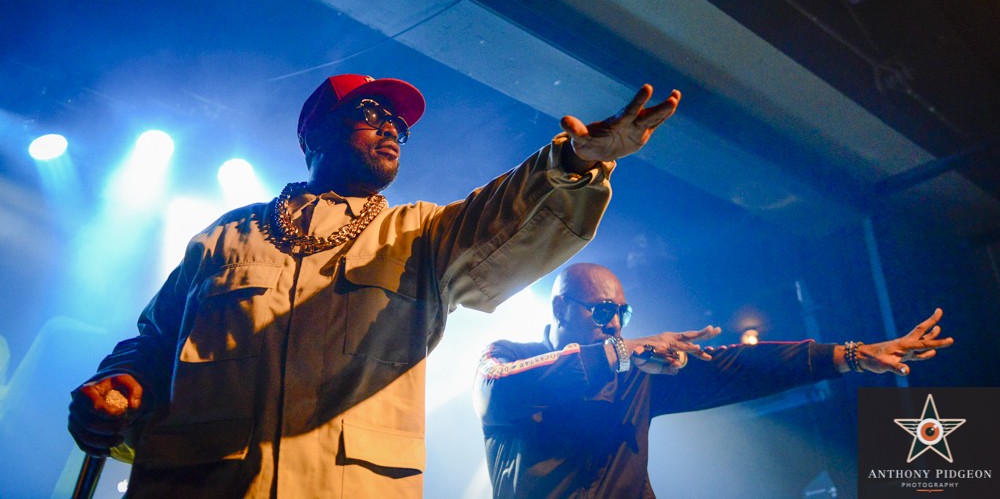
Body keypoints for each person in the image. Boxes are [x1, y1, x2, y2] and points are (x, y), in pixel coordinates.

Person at [67, 74, 682, 499]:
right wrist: (114, 388)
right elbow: (150, 346)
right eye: (369, 115)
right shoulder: (223, 238)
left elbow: (503, 215)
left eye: (399, 125)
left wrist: (572, 163)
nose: (389, 128)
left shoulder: (418, 234)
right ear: (312, 136)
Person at [474, 262, 954, 499]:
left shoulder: (638, 372)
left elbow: (739, 368)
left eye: (622, 312)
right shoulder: (510, 357)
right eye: (603, 311)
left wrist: (849, 355)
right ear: (559, 308)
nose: (617, 323)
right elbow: (498, 392)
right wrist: (621, 353)